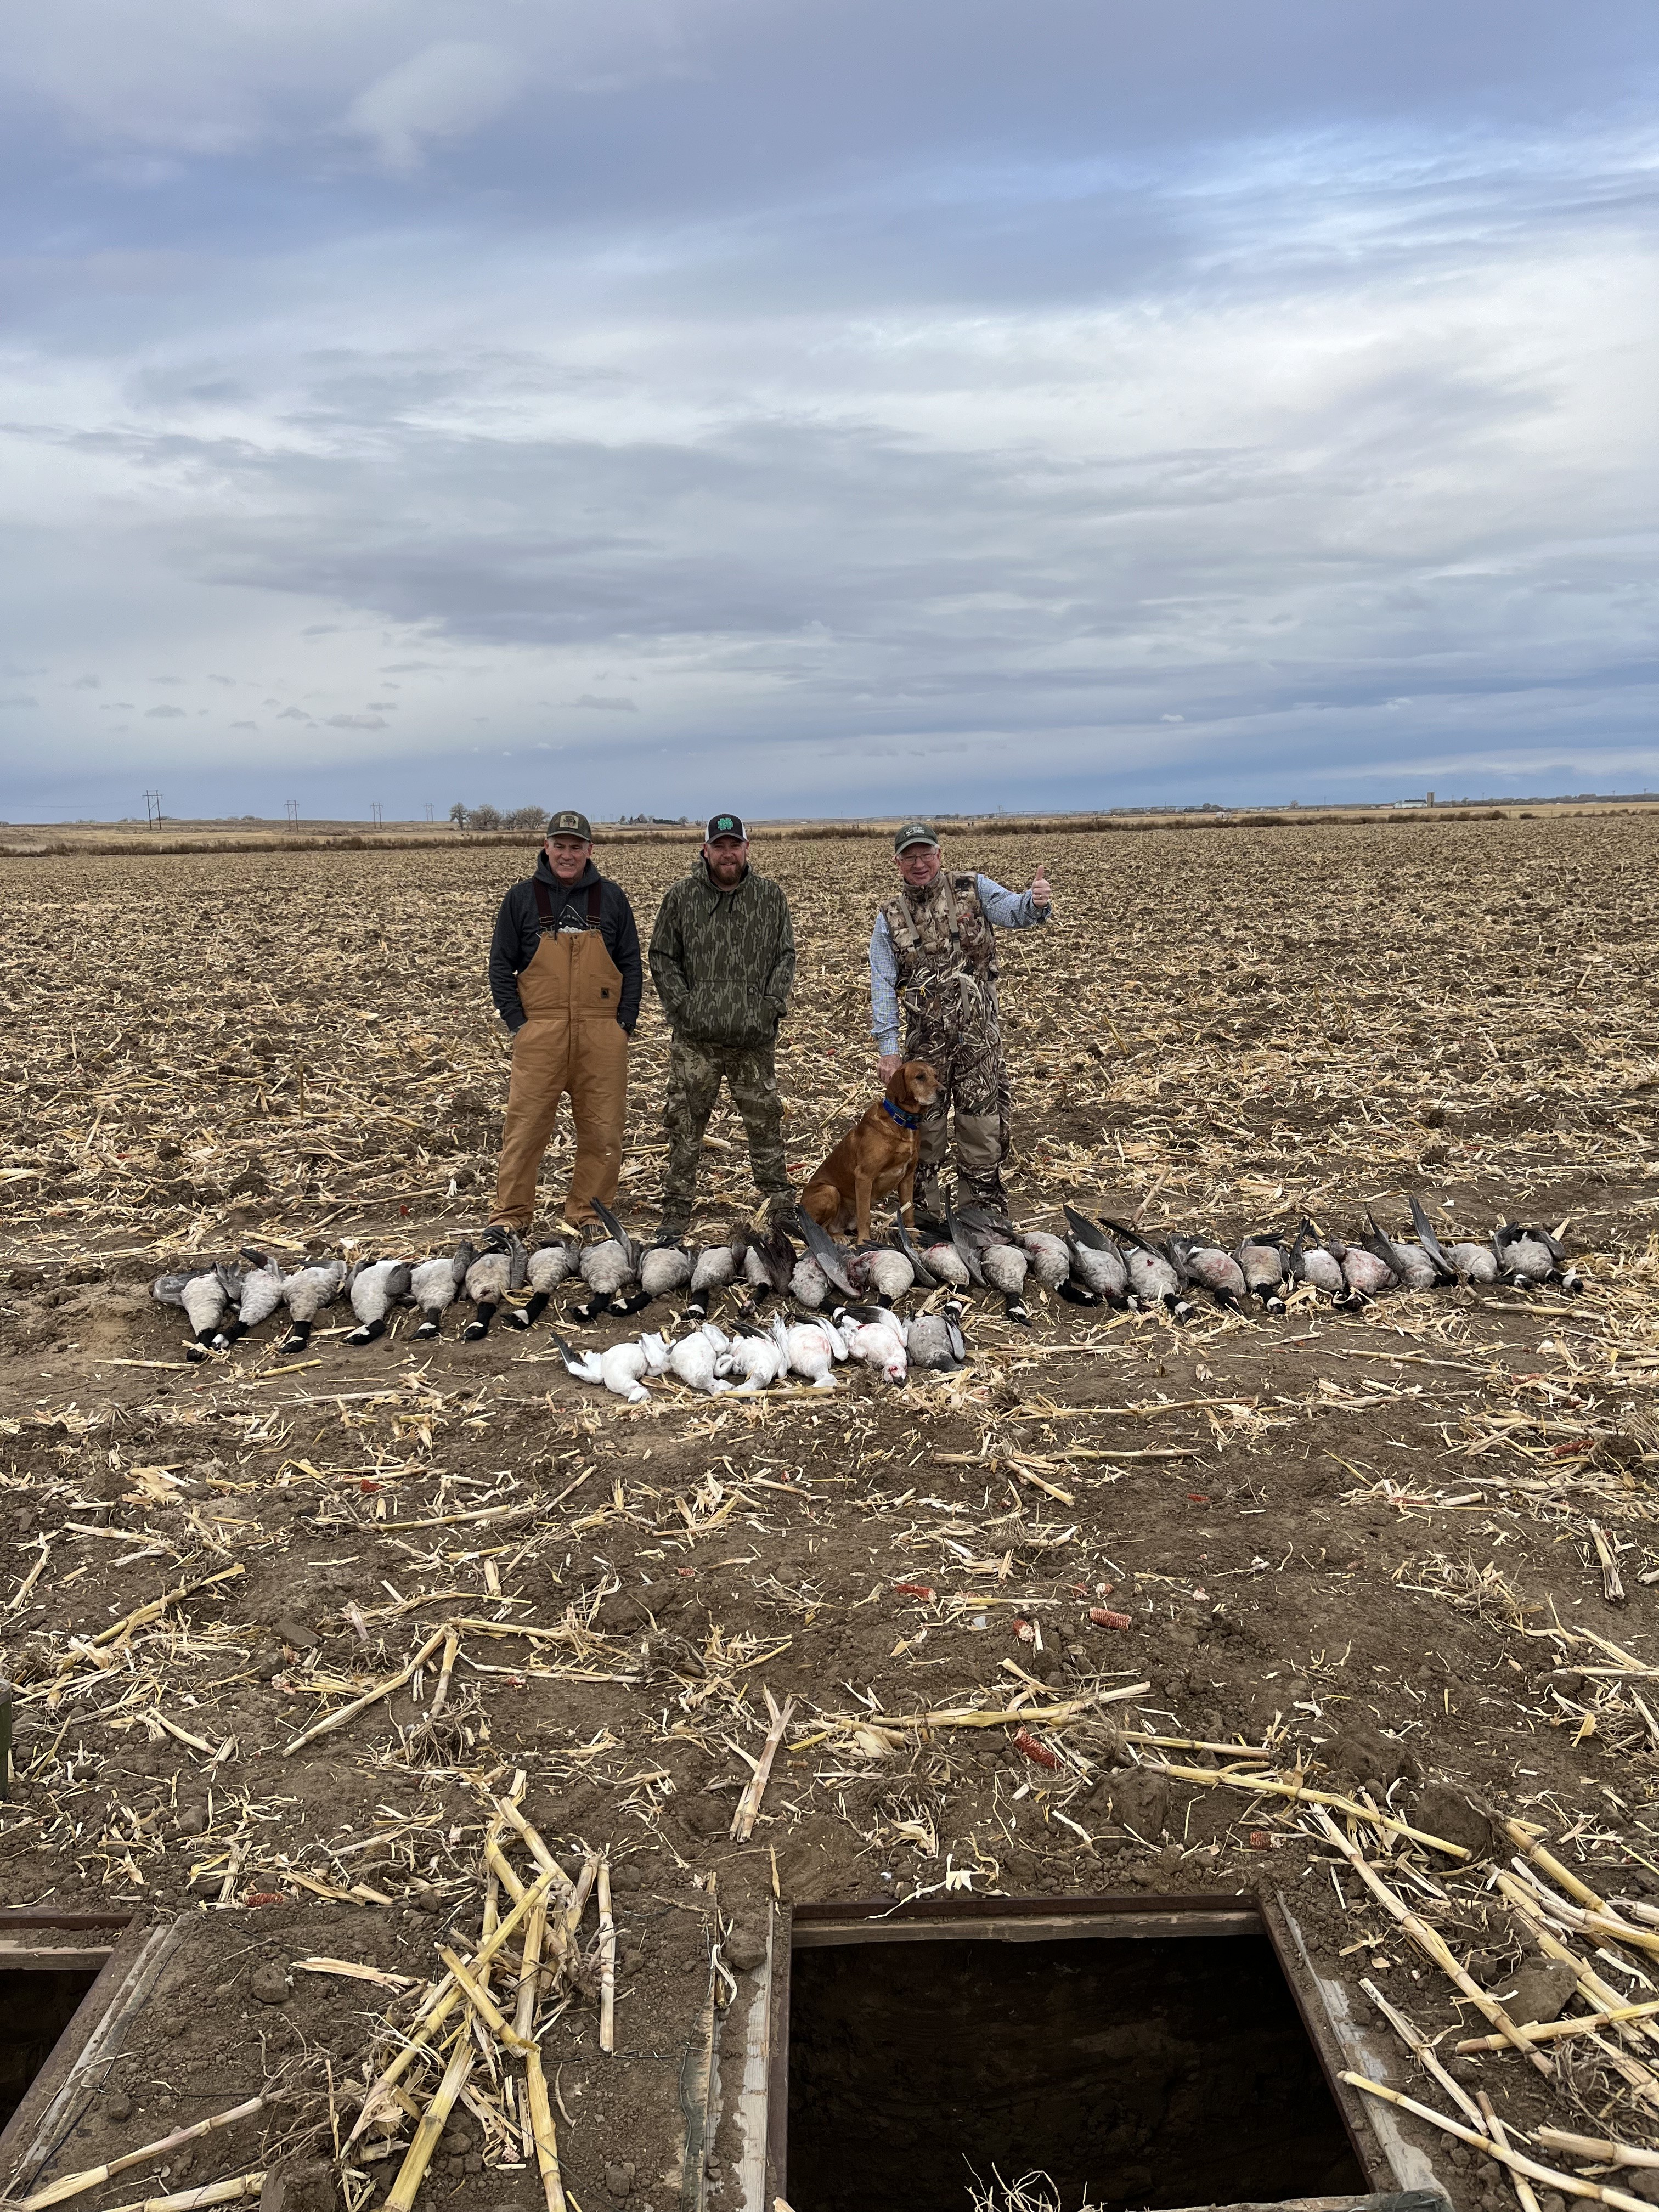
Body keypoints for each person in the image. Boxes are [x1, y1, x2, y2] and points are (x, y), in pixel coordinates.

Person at [868, 822, 1051, 1218]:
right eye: (910, 857)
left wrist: (1034, 903)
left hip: (978, 1038)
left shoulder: (972, 888)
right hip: (925, 1044)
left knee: (981, 1127)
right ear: (897, 863)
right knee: (924, 1131)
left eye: (926, 854)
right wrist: (888, 1050)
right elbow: (882, 984)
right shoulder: (889, 917)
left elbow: (1014, 910)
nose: (919, 863)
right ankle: (923, 1220)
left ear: (939, 854)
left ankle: (980, 1216)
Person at [487, 809, 642, 1231]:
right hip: (541, 1033)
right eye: (560, 845)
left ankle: (589, 1215)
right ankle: (510, 1217)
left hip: (601, 1034)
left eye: (576, 847)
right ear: (546, 847)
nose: (567, 854)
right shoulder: (521, 898)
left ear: (590, 850)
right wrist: (519, 1024)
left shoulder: (611, 898)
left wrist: (623, 1024)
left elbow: (631, 962)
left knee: (603, 1134)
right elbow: (500, 965)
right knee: (525, 1131)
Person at [648, 812, 797, 1239]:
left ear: (747, 848)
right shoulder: (681, 897)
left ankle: (779, 1205)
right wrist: (684, 1007)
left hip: (753, 1039)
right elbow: (662, 956)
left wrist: (771, 1006)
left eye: (734, 845)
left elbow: (785, 955)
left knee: (765, 1122)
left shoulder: (769, 896)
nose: (727, 853)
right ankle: (676, 1208)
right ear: (706, 850)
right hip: (697, 1040)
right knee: (684, 1123)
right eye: (719, 846)